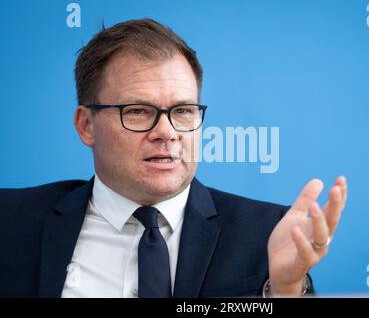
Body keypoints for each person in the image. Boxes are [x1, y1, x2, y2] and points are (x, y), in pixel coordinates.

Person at [0, 19, 347, 298]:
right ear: (86, 125)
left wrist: (284, 291)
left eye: (182, 110)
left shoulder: (266, 233)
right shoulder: (10, 221)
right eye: (137, 111)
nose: (167, 132)